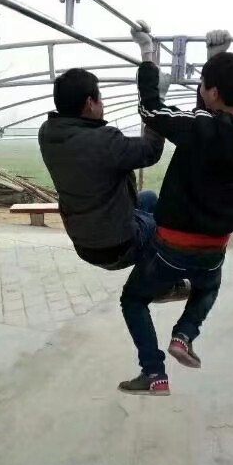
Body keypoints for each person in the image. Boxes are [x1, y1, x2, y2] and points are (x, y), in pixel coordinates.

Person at [117, 25, 233, 396]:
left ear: (213, 92)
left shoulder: (201, 129)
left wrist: (148, 56)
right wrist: (218, 59)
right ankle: (184, 334)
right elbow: (216, 117)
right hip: (214, 247)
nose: (200, 89)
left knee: (133, 299)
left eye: (204, 84)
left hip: (174, 246)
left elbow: (150, 109)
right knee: (208, 287)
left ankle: (155, 375)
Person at [38, 66, 188, 306]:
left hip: (84, 241)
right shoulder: (104, 140)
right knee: (172, 225)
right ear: (90, 103)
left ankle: (152, 267)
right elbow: (151, 150)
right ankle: (159, 285)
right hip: (115, 247)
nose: (103, 104)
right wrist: (156, 102)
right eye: (100, 99)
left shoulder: (48, 133)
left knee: (149, 198)